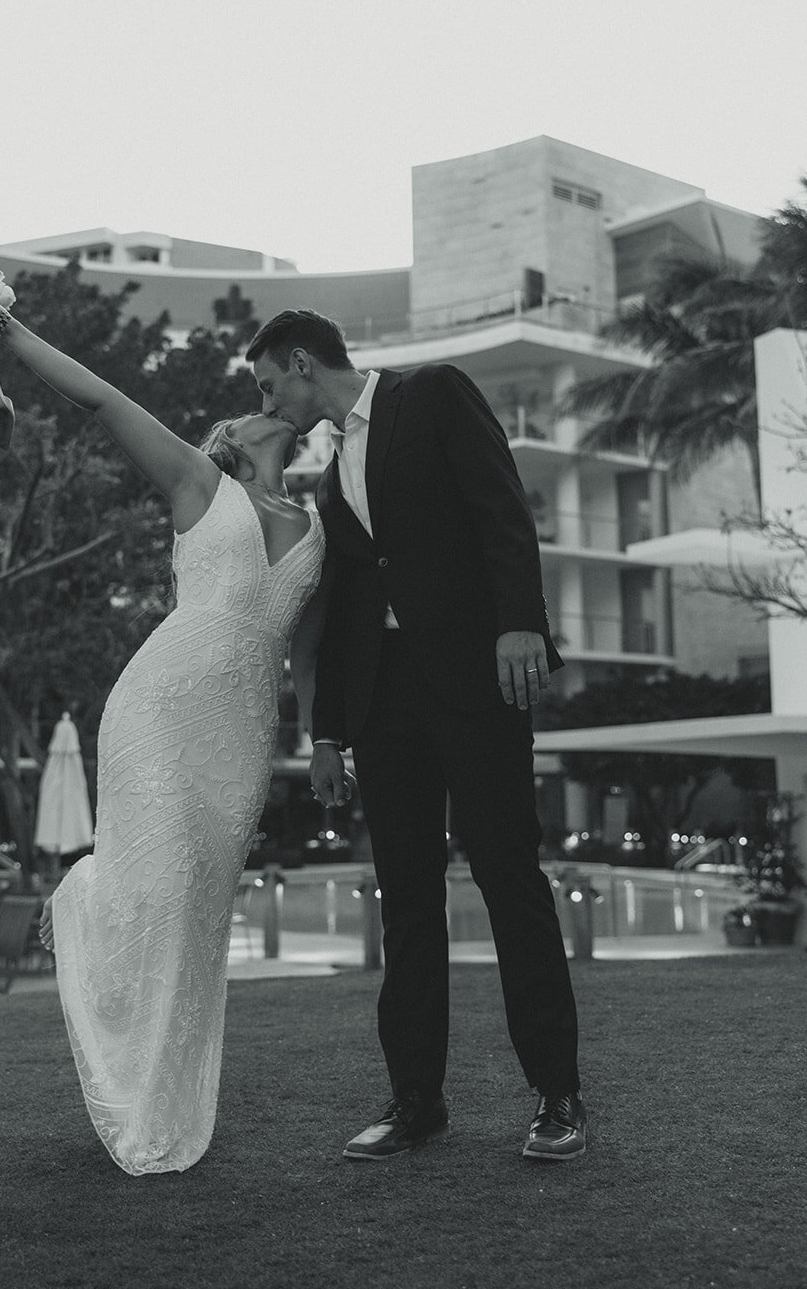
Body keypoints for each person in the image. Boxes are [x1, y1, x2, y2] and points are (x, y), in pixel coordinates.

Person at [0, 297, 328, 1175]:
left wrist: (323, 744)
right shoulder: (200, 485)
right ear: (230, 438)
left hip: (242, 738)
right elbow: (99, 398)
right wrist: (10, 338)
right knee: (157, 893)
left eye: (271, 392)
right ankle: (86, 921)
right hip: (158, 709)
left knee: (199, 915)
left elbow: (308, 659)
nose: (264, 402)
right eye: (247, 403)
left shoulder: (319, 532)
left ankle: (168, 1101)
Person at [247, 308, 586, 1162]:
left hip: (478, 681)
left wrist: (521, 625)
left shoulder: (431, 395)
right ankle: (414, 1104)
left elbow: (500, 509)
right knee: (405, 902)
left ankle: (557, 1096)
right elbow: (341, 614)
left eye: (266, 384)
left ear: (299, 362)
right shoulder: (326, 479)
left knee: (510, 881)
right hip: (385, 708)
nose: (268, 401)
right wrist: (326, 736)